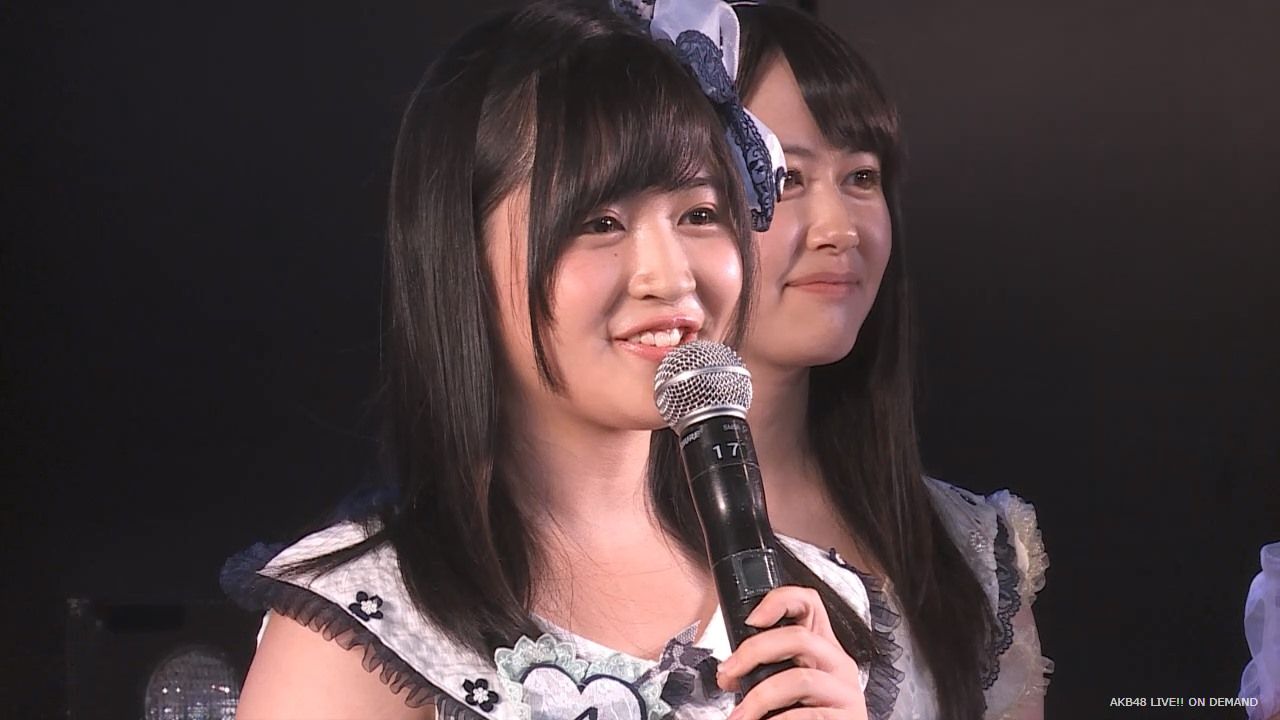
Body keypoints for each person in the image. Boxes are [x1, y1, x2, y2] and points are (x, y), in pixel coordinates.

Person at [223, 3, 877, 719]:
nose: (670, 277)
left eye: (699, 215)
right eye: (600, 223)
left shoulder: (811, 607)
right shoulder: (360, 627)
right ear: (461, 254)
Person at [724, 4, 1053, 719]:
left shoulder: (968, 551)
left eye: (862, 177)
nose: (839, 228)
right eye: (786, 179)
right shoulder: (568, 549)